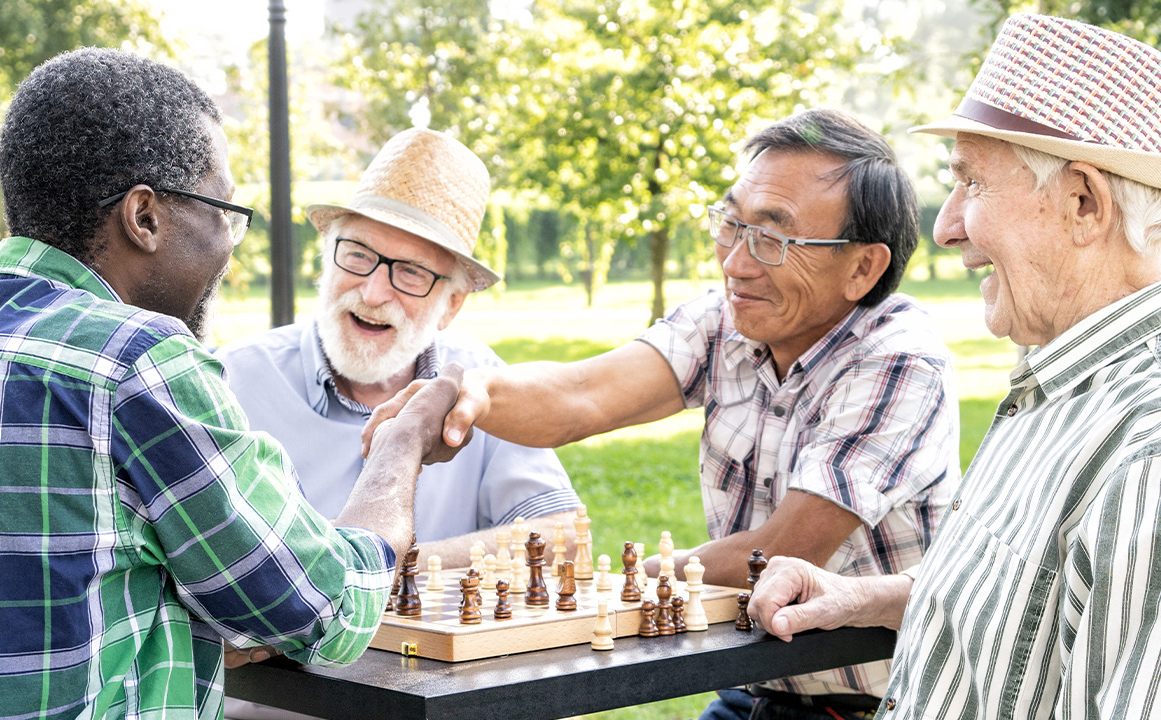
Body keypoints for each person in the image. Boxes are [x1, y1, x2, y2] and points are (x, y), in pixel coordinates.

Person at [0, 48, 462, 720]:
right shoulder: (136, 360)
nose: (229, 245)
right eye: (223, 212)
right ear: (145, 218)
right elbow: (320, 607)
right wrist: (401, 444)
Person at [367, 108, 961, 718]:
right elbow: (583, 394)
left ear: (862, 267)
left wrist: (626, 578)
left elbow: (783, 551)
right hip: (761, 690)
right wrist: (470, 392)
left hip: (887, 706)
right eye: (731, 224)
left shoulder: (899, 362)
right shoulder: (728, 320)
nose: (735, 263)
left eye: (773, 239)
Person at [747, 14, 1161, 719]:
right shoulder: (1065, 384)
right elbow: (1035, 606)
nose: (943, 228)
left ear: (1084, 203)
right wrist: (864, 598)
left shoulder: (1144, 457)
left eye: (972, 183)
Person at [217, 128, 580, 570]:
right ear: (326, 257)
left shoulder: (480, 383)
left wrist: (380, 570)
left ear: (451, 305)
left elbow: (564, 535)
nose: (373, 294)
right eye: (357, 255)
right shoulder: (232, 381)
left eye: (411, 272)